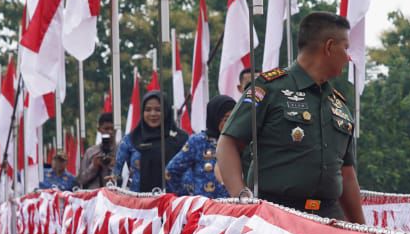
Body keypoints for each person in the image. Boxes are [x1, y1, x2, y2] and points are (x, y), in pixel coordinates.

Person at [218, 12, 366, 223]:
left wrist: (361, 230)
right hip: (276, 219)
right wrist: (241, 198)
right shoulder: (269, 88)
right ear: (329, 46)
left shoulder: (338, 104)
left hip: (328, 220)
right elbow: (228, 143)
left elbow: (347, 174)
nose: (348, 56)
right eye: (345, 47)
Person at [115, 91, 188, 193]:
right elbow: (116, 173)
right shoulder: (130, 140)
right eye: (148, 110)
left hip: (174, 203)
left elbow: (190, 172)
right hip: (140, 204)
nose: (153, 114)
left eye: (158, 110)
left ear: (166, 111)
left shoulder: (181, 138)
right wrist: (114, 180)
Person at [166, 95, 235, 198]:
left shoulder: (239, 141)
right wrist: (186, 197)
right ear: (214, 118)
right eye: (225, 119)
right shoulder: (198, 141)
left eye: (233, 118)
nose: (229, 124)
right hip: (204, 209)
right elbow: (171, 171)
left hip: (233, 209)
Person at [78, 112, 116, 189]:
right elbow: (80, 180)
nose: (110, 132)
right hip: (94, 196)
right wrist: (94, 166)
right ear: (99, 129)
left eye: (112, 129)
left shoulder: (121, 151)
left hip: (115, 196)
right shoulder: (91, 152)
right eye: (106, 129)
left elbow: (129, 178)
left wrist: (114, 166)